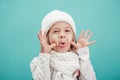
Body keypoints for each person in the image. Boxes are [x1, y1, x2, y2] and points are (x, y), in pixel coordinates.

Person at [30, 10, 96, 80]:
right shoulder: (39, 62)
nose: (62, 35)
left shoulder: (79, 61)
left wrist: (83, 53)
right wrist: (44, 54)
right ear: (47, 38)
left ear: (73, 37)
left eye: (67, 31)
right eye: (56, 31)